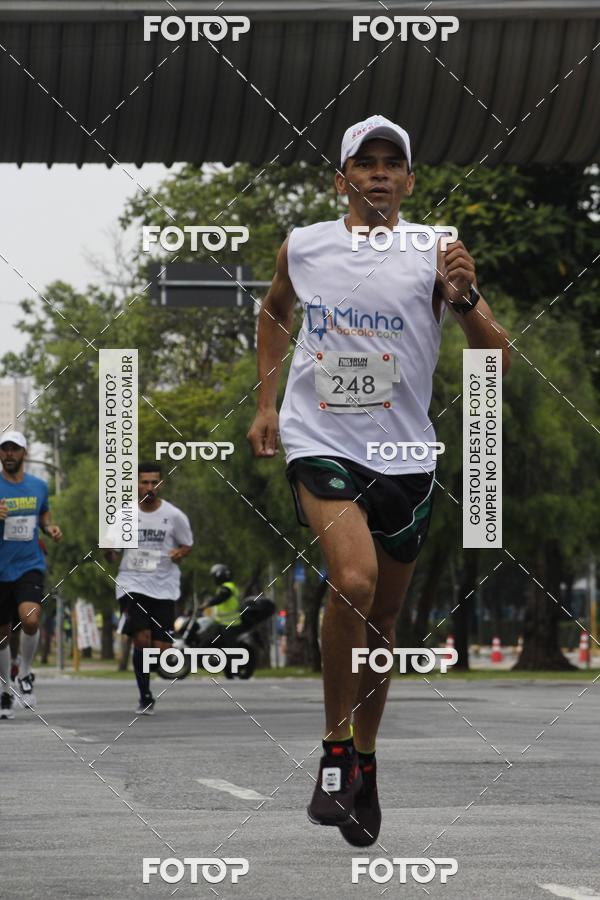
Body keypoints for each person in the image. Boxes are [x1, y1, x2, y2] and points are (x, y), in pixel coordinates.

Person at [247, 114, 511, 845]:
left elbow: (498, 361)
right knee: (353, 584)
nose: (379, 173)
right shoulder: (305, 245)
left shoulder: (437, 250)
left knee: (384, 623)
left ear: (410, 181)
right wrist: (267, 403)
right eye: (365, 163)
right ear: (342, 180)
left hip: (406, 457)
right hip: (320, 440)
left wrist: (461, 299)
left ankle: (365, 760)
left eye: (393, 163)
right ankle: (334, 750)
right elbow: (274, 310)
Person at [105, 462, 193, 715]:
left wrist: (179, 553)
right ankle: (145, 696)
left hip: (164, 587)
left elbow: (187, 544)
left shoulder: (174, 516)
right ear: (135, 484)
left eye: (154, 482)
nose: (149, 487)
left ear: (161, 485)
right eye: (144, 482)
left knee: (161, 650)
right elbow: (111, 554)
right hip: (132, 583)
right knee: (141, 639)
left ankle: (147, 673)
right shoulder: (124, 515)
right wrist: (108, 551)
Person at [0, 431, 62, 717]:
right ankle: (4, 689)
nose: (9, 454)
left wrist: (48, 528)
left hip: (29, 564)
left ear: (24, 453)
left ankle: (24, 673)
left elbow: (43, 514)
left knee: (30, 619)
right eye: (5, 450)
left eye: (14, 449)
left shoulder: (38, 485)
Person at [200, 564, 242, 628]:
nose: (213, 579)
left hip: (231, 624)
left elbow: (220, 598)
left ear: (219, 576)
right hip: (224, 623)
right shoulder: (226, 587)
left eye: (214, 577)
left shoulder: (227, 587)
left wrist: (206, 604)